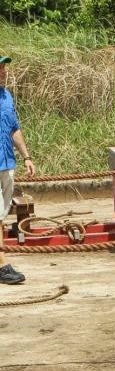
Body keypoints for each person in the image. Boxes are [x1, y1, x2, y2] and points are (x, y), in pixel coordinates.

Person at [0, 54, 35, 285]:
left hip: (7, 165)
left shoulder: (7, 96)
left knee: (1, 216)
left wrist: (26, 157)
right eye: (0, 69)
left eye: (4, 69)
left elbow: (14, 129)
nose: (4, 73)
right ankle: (2, 265)